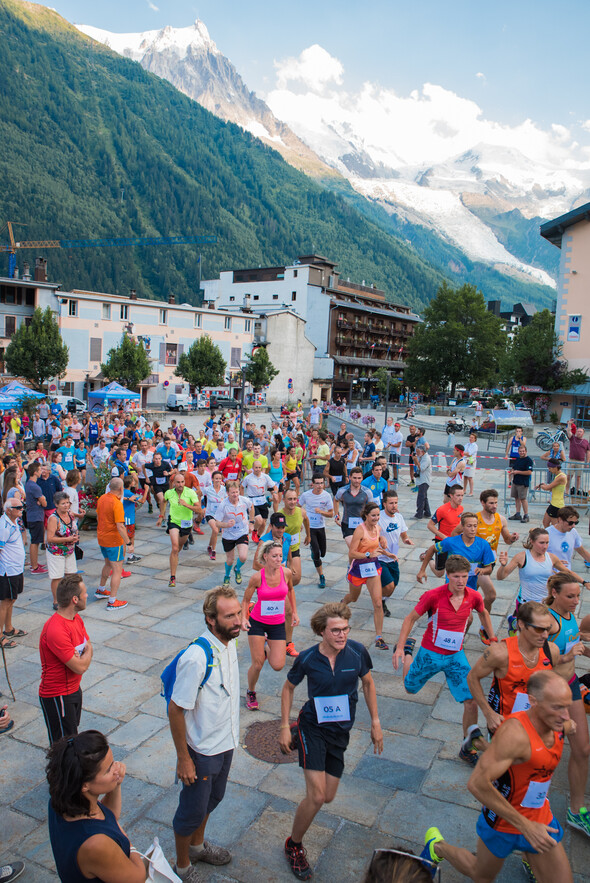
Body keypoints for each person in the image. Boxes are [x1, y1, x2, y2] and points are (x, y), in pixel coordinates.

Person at [422, 670, 574, 883]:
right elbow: (476, 784)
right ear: (534, 702)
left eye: (567, 706)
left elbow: (568, 724)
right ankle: (437, 847)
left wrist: (569, 726)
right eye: (557, 707)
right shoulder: (514, 735)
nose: (566, 715)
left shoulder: (560, 724)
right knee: (480, 874)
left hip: (540, 819)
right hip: (504, 822)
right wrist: (524, 825)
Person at [279, 602, 383, 881]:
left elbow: (369, 683)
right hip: (312, 726)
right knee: (316, 796)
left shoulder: (358, 652)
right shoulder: (308, 659)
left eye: (345, 629)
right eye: (335, 630)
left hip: (340, 732)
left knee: (329, 796)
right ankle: (294, 845)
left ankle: (306, 746)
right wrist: (283, 726)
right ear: (322, 632)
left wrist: (375, 722)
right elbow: (288, 688)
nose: (342, 635)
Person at [169, 586, 241, 880]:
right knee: (190, 812)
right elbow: (175, 710)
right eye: (229, 616)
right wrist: (183, 759)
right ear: (210, 619)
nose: (237, 620)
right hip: (201, 751)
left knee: (212, 800)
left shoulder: (230, 642)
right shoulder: (196, 658)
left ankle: (198, 847)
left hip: (225, 742)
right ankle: (183, 865)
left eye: (238, 613)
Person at [395, 555, 496, 766]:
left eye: (464, 576)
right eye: (456, 576)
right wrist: (398, 647)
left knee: (471, 700)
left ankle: (468, 746)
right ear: (447, 576)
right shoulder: (433, 596)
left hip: (456, 656)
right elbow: (410, 618)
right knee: (409, 688)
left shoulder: (474, 596)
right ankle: (408, 654)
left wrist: (492, 637)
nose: (460, 581)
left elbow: (483, 613)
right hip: (430, 654)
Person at [46, 729, 148, 883]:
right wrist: (130, 846)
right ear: (85, 785)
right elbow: (138, 877)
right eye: (108, 770)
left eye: (113, 762)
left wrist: (116, 784)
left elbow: (108, 817)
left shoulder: (62, 800)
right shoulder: (96, 844)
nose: (117, 768)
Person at [545, 574, 590, 836]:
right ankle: (535, 807)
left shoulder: (571, 616)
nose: (575, 601)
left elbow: (577, 645)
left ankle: (576, 811)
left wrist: (580, 649)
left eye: (577, 596)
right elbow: (537, 662)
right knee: (546, 754)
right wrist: (567, 655)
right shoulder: (548, 622)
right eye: (570, 596)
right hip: (550, 693)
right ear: (554, 592)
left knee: (583, 749)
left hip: (571, 685)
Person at [241, 541, 298, 710]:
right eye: (274, 556)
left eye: (280, 556)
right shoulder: (257, 577)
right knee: (257, 664)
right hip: (257, 622)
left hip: (277, 623)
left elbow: (291, 591)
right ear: (265, 557)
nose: (278, 559)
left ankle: (266, 648)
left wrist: (294, 612)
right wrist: (244, 618)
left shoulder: (286, 573)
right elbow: (245, 599)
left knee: (278, 665)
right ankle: (251, 691)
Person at [497, 527, 585, 633]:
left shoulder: (551, 558)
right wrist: (502, 566)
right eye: (542, 543)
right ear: (532, 542)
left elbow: (568, 572)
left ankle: (514, 620)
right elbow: (500, 577)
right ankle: (514, 622)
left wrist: (584, 582)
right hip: (527, 603)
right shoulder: (521, 557)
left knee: (544, 631)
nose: (545, 546)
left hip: (546, 603)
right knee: (529, 634)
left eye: (547, 543)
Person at [39, 574, 93, 743]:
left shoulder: (76, 619)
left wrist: (84, 655)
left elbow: (87, 646)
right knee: (63, 746)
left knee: (72, 737)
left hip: (73, 689)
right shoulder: (56, 629)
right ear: (75, 599)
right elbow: (80, 667)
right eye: (84, 593)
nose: (87, 596)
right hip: (58, 694)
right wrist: (85, 654)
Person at [341, 502, 393, 650]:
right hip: (358, 567)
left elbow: (379, 539)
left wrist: (383, 543)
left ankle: (379, 637)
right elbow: (352, 553)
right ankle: (342, 604)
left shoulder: (377, 528)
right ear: (366, 515)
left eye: (378, 515)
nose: (376, 518)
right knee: (353, 598)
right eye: (373, 515)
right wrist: (368, 554)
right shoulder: (359, 530)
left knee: (377, 603)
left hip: (372, 567)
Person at [417, 512, 495, 595]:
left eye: (475, 526)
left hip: (470, 589)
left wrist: (482, 570)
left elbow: (489, 568)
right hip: (451, 587)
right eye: (469, 526)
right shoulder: (451, 542)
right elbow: (432, 549)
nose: (473, 529)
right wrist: (422, 570)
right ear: (462, 527)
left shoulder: (484, 545)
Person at [277, 488, 310, 657]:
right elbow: (273, 531)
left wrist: (308, 535)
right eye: (289, 499)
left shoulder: (300, 511)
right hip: (281, 552)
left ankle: (287, 590)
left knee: (296, 578)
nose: (292, 501)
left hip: (294, 549)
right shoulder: (280, 514)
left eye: (294, 499)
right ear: (283, 500)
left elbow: (306, 520)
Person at [157, 472, 201, 588]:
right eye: (178, 482)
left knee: (178, 549)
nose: (180, 484)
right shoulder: (169, 493)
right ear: (173, 483)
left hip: (186, 524)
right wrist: (161, 516)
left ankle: (174, 557)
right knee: (175, 547)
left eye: (182, 482)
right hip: (174, 522)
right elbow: (163, 501)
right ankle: (172, 577)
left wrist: (187, 505)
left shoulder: (190, 492)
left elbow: (199, 509)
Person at [94, 477, 130, 611]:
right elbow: (120, 525)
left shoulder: (102, 498)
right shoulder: (117, 503)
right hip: (114, 540)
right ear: (121, 489)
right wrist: (128, 541)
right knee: (117, 570)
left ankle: (101, 589)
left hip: (102, 538)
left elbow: (98, 516)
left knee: (107, 564)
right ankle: (112, 601)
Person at [378, 491, 413, 617]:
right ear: (384, 504)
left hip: (393, 558)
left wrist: (406, 539)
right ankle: (379, 603)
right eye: (391, 503)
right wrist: (379, 539)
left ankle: (380, 599)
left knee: (394, 585)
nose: (394, 506)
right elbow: (370, 535)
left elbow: (403, 533)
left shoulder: (399, 517)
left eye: (396, 503)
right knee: (389, 585)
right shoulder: (379, 517)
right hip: (379, 558)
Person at [214, 481, 254, 587]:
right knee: (230, 560)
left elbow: (252, 507)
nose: (235, 495)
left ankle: (237, 569)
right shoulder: (223, 505)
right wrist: (226, 524)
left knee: (243, 556)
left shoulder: (244, 501)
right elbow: (217, 522)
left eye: (237, 492)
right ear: (227, 493)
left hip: (242, 532)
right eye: (233, 493)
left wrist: (251, 522)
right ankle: (227, 575)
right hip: (228, 535)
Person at [0, 497, 27, 651]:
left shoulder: (14, 521)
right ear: (9, 510)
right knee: (5, 602)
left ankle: (8, 627)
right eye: (18, 507)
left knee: (12, 599)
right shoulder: (3, 526)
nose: (21, 509)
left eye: (22, 506)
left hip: (16, 568)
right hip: (7, 570)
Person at [298, 475, 334, 589]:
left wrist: (321, 512)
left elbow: (331, 513)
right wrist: (300, 522)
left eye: (321, 483)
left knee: (323, 552)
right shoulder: (306, 495)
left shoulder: (327, 496)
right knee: (317, 554)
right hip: (310, 527)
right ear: (312, 484)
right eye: (317, 483)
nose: (319, 486)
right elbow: (298, 507)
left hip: (321, 526)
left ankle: (315, 552)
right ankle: (321, 576)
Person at [46, 492, 79, 610]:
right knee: (57, 577)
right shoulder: (53, 519)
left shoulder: (70, 514)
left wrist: (75, 536)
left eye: (67, 503)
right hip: (56, 552)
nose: (66, 505)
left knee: (71, 574)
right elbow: (49, 538)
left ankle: (69, 597)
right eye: (63, 503)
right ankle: (56, 601)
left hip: (69, 550)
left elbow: (74, 527)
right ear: (56, 505)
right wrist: (67, 539)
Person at [333, 466, 370, 547]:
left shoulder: (367, 492)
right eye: (354, 478)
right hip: (347, 524)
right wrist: (336, 514)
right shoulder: (342, 491)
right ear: (350, 477)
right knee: (353, 547)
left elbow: (371, 508)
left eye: (359, 478)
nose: (357, 480)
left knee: (358, 550)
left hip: (362, 524)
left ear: (362, 478)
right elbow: (335, 500)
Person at [241, 459, 277, 542]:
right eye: (256, 467)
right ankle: (254, 530)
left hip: (262, 500)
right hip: (252, 501)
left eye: (259, 467)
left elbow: (274, 486)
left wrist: (274, 493)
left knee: (263, 523)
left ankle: (258, 536)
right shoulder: (248, 478)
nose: (257, 469)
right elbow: (242, 486)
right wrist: (242, 498)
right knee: (259, 520)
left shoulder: (265, 477)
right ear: (253, 468)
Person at [546, 505, 590, 570]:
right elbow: (536, 557)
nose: (573, 526)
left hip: (567, 574)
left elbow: (582, 552)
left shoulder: (573, 532)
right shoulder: (547, 534)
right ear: (560, 520)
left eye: (576, 523)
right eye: (571, 523)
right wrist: (553, 563)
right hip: (551, 576)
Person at [25, 461, 48, 574]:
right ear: (35, 472)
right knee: (35, 541)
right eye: (39, 470)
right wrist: (42, 499)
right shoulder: (35, 487)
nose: (41, 471)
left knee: (36, 540)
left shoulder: (28, 484)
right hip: (36, 516)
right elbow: (44, 503)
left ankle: (35, 563)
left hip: (32, 515)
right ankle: (34, 567)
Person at [508, 442, 534, 522]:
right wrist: (512, 471)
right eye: (520, 451)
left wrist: (518, 472)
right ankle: (518, 513)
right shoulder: (518, 459)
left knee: (523, 499)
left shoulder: (528, 460)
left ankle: (526, 515)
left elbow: (529, 472)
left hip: (523, 482)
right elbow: (514, 468)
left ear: (526, 451)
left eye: (523, 451)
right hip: (516, 481)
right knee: (516, 498)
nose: (522, 452)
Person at [537, 458, 568, 526]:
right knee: (545, 522)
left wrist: (541, 486)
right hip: (553, 503)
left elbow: (548, 488)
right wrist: (542, 485)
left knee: (555, 526)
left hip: (557, 505)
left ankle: (553, 536)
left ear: (555, 467)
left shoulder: (561, 477)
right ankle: (548, 536)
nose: (549, 470)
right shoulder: (557, 476)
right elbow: (551, 487)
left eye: (550, 468)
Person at [566, 419, 590, 496]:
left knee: (578, 477)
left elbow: (588, 452)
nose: (579, 433)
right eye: (578, 431)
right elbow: (568, 432)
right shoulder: (572, 438)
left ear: (583, 433)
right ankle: (566, 491)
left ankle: (576, 491)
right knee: (569, 476)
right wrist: (569, 424)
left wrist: (587, 462)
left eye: (580, 432)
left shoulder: (586, 441)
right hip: (571, 460)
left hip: (581, 461)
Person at [413, 445, 432, 519]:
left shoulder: (426, 458)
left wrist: (416, 460)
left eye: (418, 452)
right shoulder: (420, 456)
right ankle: (427, 512)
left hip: (424, 480)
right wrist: (414, 459)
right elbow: (416, 465)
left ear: (423, 452)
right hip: (421, 480)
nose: (416, 453)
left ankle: (419, 514)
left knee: (421, 497)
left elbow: (422, 468)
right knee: (424, 497)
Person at [463, 431, 478, 497]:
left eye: (472, 437)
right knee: (465, 476)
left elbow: (469, 453)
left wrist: (464, 453)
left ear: (475, 439)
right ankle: (464, 489)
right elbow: (463, 451)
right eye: (470, 437)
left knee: (470, 477)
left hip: (470, 460)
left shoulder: (474, 446)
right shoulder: (467, 444)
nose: (470, 438)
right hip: (465, 460)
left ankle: (471, 491)